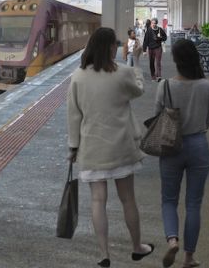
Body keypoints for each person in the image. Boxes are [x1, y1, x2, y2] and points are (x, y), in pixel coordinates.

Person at [67, 27, 153, 267]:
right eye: (115, 44)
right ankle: (137, 247)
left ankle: (104, 254)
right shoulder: (122, 73)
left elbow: (74, 116)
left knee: (98, 201)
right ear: (110, 48)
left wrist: (73, 147)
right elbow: (139, 89)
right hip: (121, 147)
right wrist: (136, 61)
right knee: (128, 199)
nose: (117, 47)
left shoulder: (78, 77)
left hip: (92, 148)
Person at [157, 39, 209, 268]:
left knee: (169, 200)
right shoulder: (205, 85)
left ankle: (172, 239)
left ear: (175, 60)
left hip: (172, 146)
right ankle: (189, 257)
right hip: (199, 146)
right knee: (193, 204)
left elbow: (156, 115)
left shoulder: (165, 86)